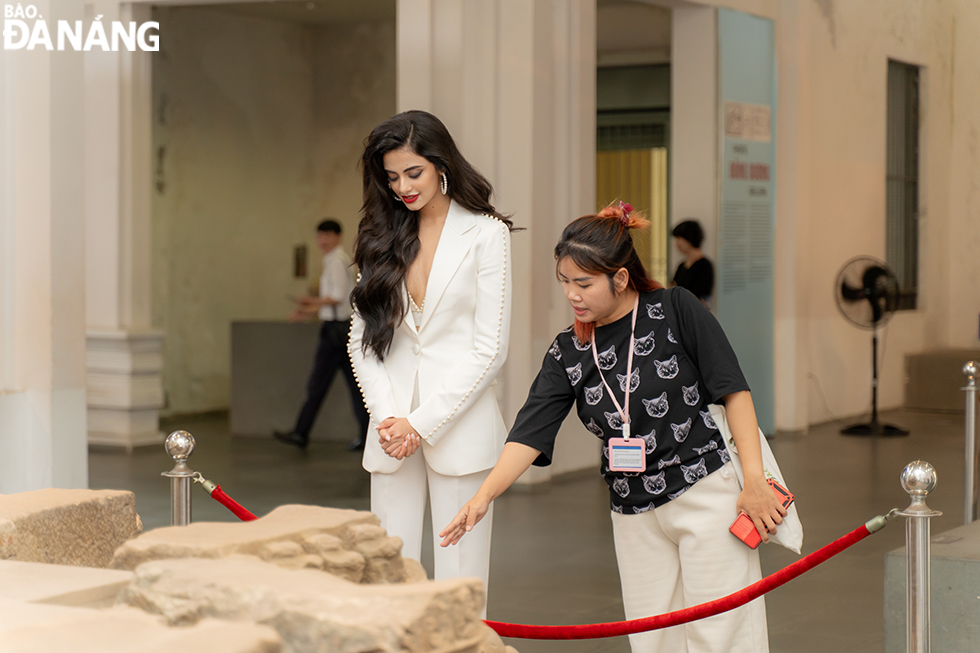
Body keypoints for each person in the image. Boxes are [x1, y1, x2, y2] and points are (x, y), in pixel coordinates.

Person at [440, 204, 785, 652]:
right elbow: (529, 430)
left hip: (706, 489)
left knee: (723, 629)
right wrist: (482, 496)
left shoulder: (676, 308)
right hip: (631, 506)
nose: (572, 295)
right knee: (651, 633)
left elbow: (733, 391)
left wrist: (754, 481)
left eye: (583, 283)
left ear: (619, 278)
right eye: (564, 282)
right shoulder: (569, 349)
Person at [348, 110, 515, 606]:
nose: (403, 186)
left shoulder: (487, 234)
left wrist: (419, 424)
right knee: (389, 570)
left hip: (459, 426)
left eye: (413, 173)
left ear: (441, 165)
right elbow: (363, 340)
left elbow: (491, 348)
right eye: (392, 176)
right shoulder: (381, 238)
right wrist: (389, 421)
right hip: (390, 429)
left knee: (460, 582)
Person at [274, 219, 369, 451]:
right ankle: (366, 438)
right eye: (320, 236)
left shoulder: (337, 260)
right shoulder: (337, 260)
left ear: (338, 236)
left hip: (335, 332)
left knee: (321, 385)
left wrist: (309, 302)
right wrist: (307, 310)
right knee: (355, 387)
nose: (323, 240)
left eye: (327, 235)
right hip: (340, 329)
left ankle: (301, 432)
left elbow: (337, 297)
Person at [671, 219, 714, 307]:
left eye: (679, 239)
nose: (677, 244)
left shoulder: (704, 266)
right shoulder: (682, 265)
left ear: (689, 238)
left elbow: (700, 295)